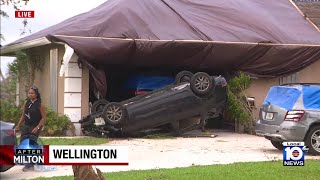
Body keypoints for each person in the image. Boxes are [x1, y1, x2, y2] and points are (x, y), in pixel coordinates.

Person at [15, 85, 47, 172]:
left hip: (35, 127)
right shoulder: (27, 103)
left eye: (32, 93)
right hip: (26, 126)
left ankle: (29, 165)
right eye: (29, 93)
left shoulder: (40, 105)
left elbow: (44, 118)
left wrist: (38, 127)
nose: (30, 94)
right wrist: (18, 125)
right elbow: (23, 115)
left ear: (36, 94)